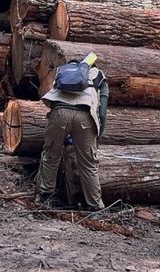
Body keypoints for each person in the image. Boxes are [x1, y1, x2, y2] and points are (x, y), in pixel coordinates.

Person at [35, 56, 109, 218]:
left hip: (59, 113)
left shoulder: (63, 71)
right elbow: (102, 111)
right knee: (88, 163)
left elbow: (57, 102)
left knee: (51, 156)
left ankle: (44, 198)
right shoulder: (99, 75)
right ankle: (95, 207)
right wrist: (98, 134)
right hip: (85, 116)